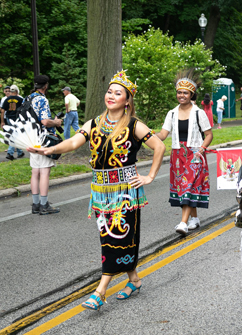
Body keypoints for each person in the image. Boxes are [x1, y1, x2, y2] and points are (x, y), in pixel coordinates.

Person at [28, 71, 165, 309]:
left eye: (118, 93)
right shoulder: (94, 123)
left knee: (117, 237)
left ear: (127, 100)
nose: (111, 96)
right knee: (111, 238)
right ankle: (134, 280)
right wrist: (49, 150)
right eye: (110, 91)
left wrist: (150, 176)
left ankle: (100, 291)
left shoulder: (134, 125)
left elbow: (159, 146)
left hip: (125, 190)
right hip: (100, 190)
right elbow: (73, 142)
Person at [157, 69, 213, 235]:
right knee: (183, 188)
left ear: (191, 94)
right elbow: (163, 134)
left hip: (195, 154)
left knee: (187, 186)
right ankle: (194, 219)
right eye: (179, 92)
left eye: (185, 93)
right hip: (177, 156)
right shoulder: (171, 113)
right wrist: (146, 136)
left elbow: (209, 134)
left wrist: (201, 149)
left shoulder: (199, 113)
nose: (181, 95)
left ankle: (183, 222)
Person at [25, 75, 62, 215]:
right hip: (43, 139)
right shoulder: (42, 99)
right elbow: (45, 121)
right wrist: (57, 123)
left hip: (30, 137)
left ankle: (35, 205)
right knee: (44, 171)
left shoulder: (27, 98)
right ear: (45, 86)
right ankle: (44, 205)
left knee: (35, 172)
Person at [1, 85, 25, 160]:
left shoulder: (6, 99)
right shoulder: (20, 99)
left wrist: (2, 121)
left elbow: (2, 111)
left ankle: (20, 152)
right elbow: (24, 109)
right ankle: (10, 153)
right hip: (17, 119)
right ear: (17, 91)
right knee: (15, 135)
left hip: (8, 118)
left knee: (14, 134)